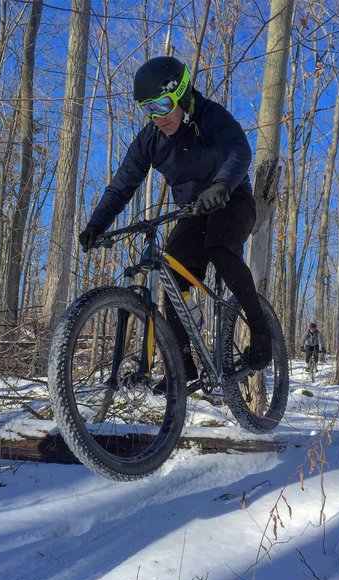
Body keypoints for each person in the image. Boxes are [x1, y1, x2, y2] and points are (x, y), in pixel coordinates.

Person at [78, 56, 271, 388]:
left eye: (164, 105)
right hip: (192, 213)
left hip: (231, 198)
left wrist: (222, 184)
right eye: (148, 109)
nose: (158, 116)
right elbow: (123, 184)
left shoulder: (211, 116)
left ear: (182, 94)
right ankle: (182, 368)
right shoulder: (151, 138)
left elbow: (238, 151)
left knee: (221, 250)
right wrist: (97, 224)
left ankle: (261, 329)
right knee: (172, 277)